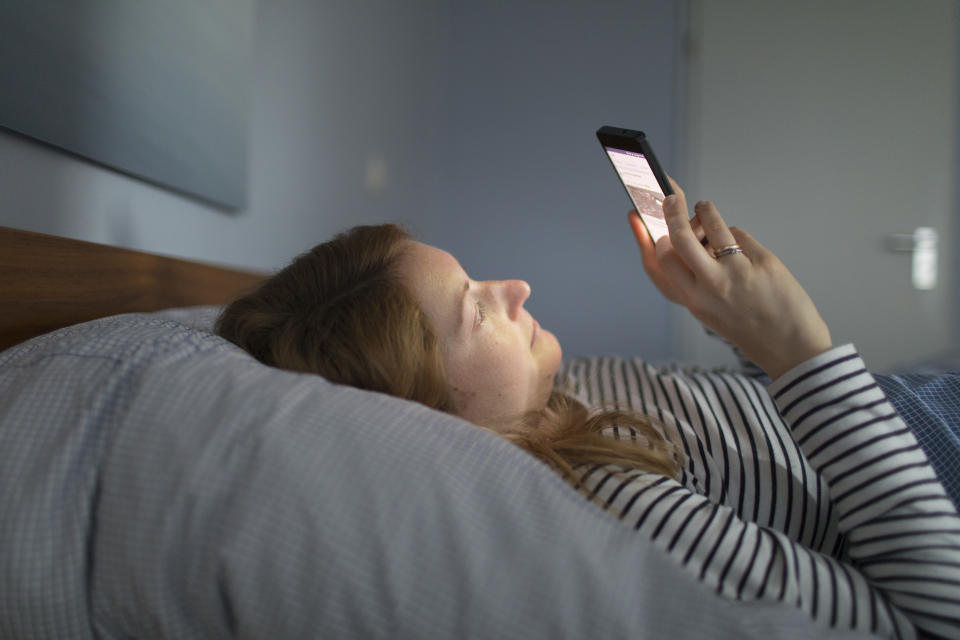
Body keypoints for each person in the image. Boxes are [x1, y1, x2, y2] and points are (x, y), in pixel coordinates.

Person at [216, 182, 960, 638]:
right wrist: (801, 351)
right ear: (433, 410)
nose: (517, 289)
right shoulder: (611, 500)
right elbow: (932, 619)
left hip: (894, 405)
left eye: (476, 278)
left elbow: (741, 423)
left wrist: (732, 323)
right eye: (478, 312)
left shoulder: (555, 389)